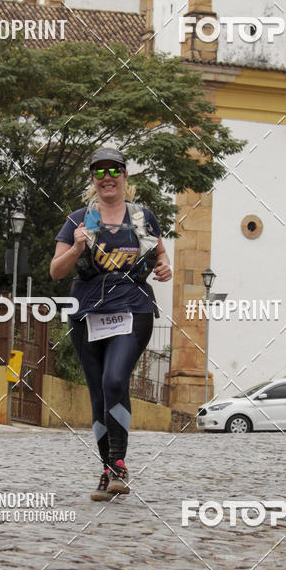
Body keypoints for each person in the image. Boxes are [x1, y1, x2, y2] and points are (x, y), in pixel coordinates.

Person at [50, 147, 172, 500]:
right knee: (100, 392)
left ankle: (118, 465)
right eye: (99, 172)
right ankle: (109, 472)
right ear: (93, 179)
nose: (107, 178)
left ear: (124, 176)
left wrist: (165, 269)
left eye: (113, 170)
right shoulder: (77, 220)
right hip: (87, 314)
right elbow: (56, 270)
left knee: (115, 379)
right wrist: (75, 249)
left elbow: (161, 257)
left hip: (133, 311)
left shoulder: (142, 218)